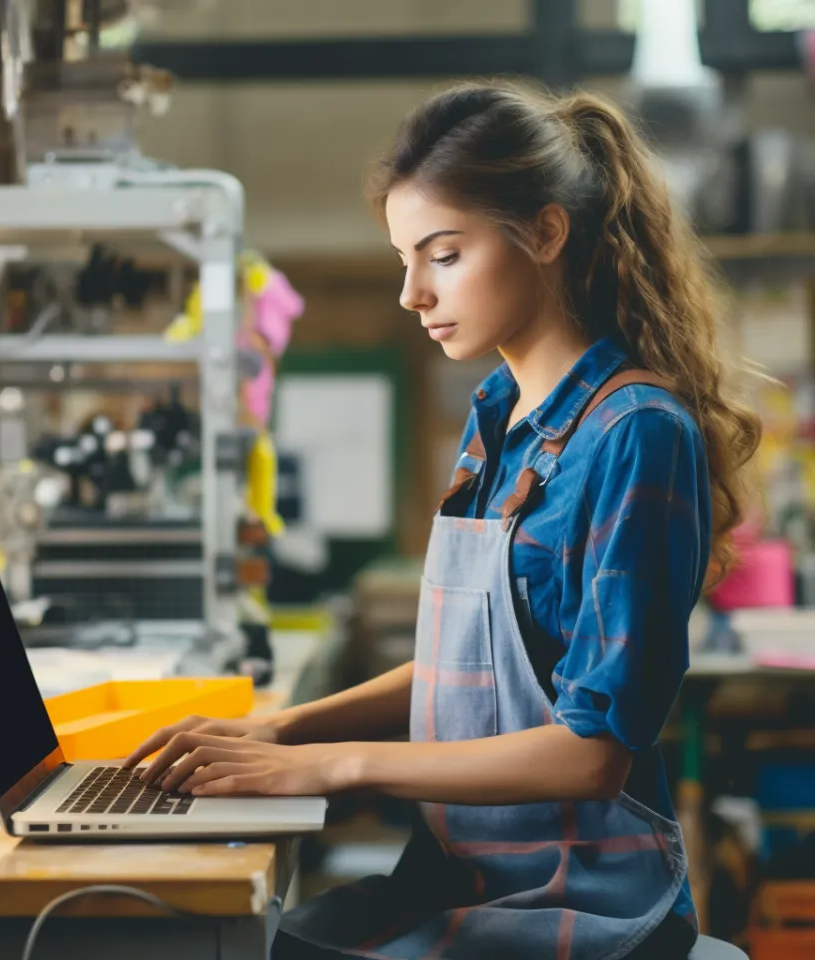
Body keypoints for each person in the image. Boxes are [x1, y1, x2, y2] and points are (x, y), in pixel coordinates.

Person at [124, 80, 761, 960]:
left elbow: (592, 754)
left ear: (546, 233)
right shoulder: (498, 414)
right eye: (404, 260)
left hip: (583, 902)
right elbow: (473, 668)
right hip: (461, 877)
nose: (411, 293)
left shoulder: (637, 435)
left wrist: (334, 762)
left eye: (444, 254)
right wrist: (282, 728)